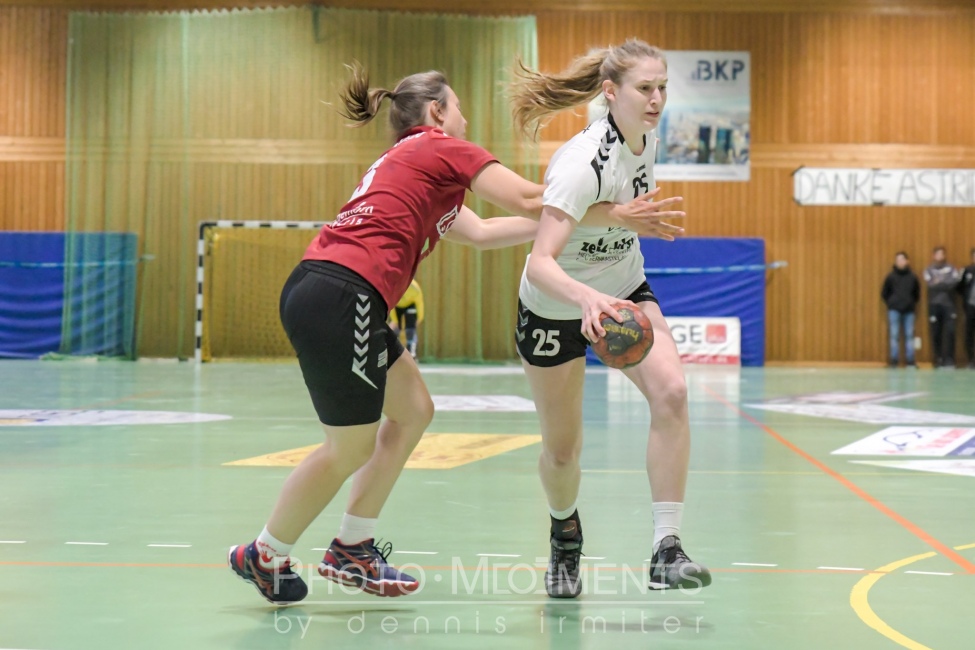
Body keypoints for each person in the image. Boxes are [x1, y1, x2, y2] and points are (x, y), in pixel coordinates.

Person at [228, 62, 670, 605]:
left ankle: (352, 547)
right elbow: (535, 201)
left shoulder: (409, 163)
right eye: (458, 106)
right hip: (345, 293)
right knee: (350, 445)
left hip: (333, 291)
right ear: (437, 112)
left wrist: (579, 222)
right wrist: (616, 213)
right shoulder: (440, 146)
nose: (464, 118)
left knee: (413, 409)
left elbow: (482, 231)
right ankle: (265, 553)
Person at [508, 39, 710, 597]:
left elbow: (605, 212)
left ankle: (666, 548)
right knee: (562, 453)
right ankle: (564, 533)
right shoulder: (579, 162)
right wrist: (584, 298)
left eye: (662, 87)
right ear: (611, 93)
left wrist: (622, 220)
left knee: (672, 393)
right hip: (554, 307)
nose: (657, 98)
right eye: (645, 88)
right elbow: (541, 261)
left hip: (622, 289)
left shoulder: (645, 138)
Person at [923, 246, 961, 368]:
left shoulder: (952, 269)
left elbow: (953, 284)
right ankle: (938, 358)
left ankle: (949, 359)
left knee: (950, 332)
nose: (940, 256)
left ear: (944, 255)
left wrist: (939, 282)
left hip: (949, 305)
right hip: (934, 305)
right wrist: (944, 282)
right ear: (934, 256)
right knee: (936, 332)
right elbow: (931, 285)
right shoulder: (929, 269)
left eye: (942, 254)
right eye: (938, 254)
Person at [881, 251, 920, 368]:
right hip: (894, 310)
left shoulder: (913, 277)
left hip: (909, 311)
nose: (900, 262)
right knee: (894, 335)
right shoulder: (890, 277)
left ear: (907, 261)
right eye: (898, 260)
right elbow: (884, 293)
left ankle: (910, 361)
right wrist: (891, 303)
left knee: (909, 335)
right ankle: (894, 361)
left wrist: (910, 303)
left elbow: (917, 294)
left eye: (902, 259)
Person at [389, 279, 424, 359]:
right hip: (396, 305)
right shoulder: (394, 287)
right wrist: (395, 320)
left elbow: (419, 303)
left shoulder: (415, 288)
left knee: (410, 330)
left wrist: (419, 318)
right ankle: (392, 353)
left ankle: (412, 353)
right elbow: (390, 303)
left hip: (410, 304)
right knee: (394, 330)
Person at [960, 248, 975, 369]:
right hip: (970, 307)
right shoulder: (967, 270)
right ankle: (971, 360)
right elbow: (960, 286)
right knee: (968, 334)